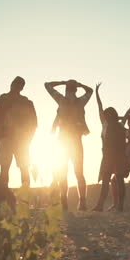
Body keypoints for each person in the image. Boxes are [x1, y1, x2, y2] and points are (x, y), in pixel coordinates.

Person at [92, 85, 130, 212]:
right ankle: (112, 206)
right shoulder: (116, 124)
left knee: (108, 181)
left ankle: (104, 205)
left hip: (111, 157)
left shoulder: (106, 124)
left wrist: (97, 93)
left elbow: (101, 107)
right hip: (116, 157)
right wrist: (97, 93)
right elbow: (102, 107)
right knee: (115, 181)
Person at [45, 79, 93, 210]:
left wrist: (62, 82)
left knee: (62, 172)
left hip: (62, 140)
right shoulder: (81, 101)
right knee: (79, 172)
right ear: (76, 89)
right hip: (76, 140)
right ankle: (82, 202)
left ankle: (64, 201)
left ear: (66, 89)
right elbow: (90, 91)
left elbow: (47, 85)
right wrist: (81, 84)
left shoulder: (61, 99)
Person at [0, 76, 37, 187]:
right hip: (6, 137)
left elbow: (34, 124)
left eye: (19, 85)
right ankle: (4, 197)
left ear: (21, 88)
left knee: (23, 168)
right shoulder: (3, 99)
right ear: (12, 84)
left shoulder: (27, 102)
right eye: (15, 84)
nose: (16, 87)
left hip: (21, 140)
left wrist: (28, 140)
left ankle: (24, 198)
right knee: (5, 167)